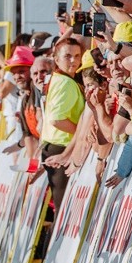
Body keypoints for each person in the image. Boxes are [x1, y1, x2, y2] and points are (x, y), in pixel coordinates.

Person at [39, 38, 85, 218]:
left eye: (77, 56)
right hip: (61, 148)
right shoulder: (65, 82)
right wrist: (81, 133)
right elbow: (57, 119)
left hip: (56, 147)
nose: (73, 61)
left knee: (63, 209)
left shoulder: (62, 79)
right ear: (56, 59)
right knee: (63, 212)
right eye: (67, 56)